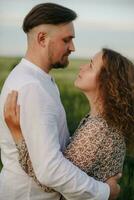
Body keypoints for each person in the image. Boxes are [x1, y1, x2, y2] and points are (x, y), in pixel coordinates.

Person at [0, 3, 121, 200]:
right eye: (67, 40)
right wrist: (104, 192)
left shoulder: (41, 80)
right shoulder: (32, 88)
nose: (72, 48)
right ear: (42, 39)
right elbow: (50, 170)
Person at [4, 48, 134, 199]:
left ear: (107, 82)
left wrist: (17, 134)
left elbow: (50, 183)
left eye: (91, 65)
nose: (82, 67)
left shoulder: (98, 131)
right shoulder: (103, 123)